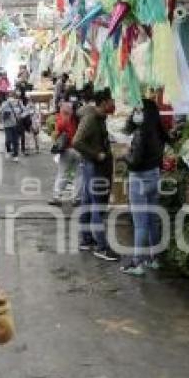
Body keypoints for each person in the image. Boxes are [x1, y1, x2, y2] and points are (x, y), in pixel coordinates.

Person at [120, 98, 167, 276]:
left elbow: (135, 162)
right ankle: (154, 259)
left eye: (138, 110)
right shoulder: (158, 130)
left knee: (140, 224)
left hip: (139, 179)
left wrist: (125, 156)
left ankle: (137, 262)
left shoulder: (141, 134)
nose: (136, 113)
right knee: (153, 220)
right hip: (154, 176)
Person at [73, 88, 118, 261]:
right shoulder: (91, 118)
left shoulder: (97, 117)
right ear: (104, 102)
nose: (114, 104)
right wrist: (96, 154)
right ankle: (102, 247)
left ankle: (86, 239)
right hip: (95, 167)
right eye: (112, 100)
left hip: (92, 167)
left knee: (88, 203)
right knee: (98, 207)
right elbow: (77, 141)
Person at [49, 101, 82, 207]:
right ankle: (77, 198)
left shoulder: (61, 118)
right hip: (79, 149)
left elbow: (57, 131)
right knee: (79, 175)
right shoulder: (78, 119)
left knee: (63, 173)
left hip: (67, 149)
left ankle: (57, 197)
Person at [0, 88, 25, 162]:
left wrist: (21, 115)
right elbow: (1, 113)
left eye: (12, 95)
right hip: (7, 125)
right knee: (8, 139)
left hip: (16, 124)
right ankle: (8, 150)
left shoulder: (19, 103)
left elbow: (24, 110)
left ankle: (15, 155)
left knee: (15, 140)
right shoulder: (4, 103)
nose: (11, 97)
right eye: (9, 95)